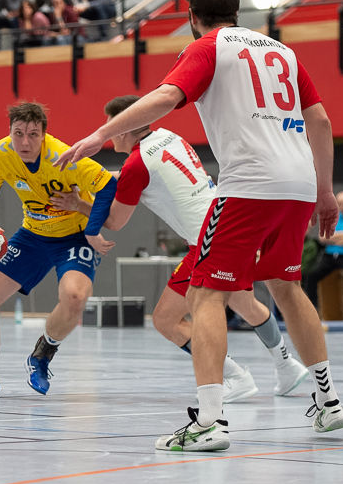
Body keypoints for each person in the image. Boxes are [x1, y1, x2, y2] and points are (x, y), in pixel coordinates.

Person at [57, 0, 343, 450]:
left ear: (192, 15)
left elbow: (165, 98)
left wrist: (98, 135)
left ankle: (210, 421)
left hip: (249, 184)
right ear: (236, 10)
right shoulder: (283, 51)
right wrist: (325, 190)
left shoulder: (208, 46)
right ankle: (329, 401)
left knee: (205, 293)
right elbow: (320, 120)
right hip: (298, 183)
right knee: (287, 287)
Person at [50, 95, 310, 401]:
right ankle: (286, 366)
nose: (108, 131)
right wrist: (104, 180)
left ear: (124, 127)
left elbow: (114, 221)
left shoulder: (137, 164)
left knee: (165, 320)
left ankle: (235, 377)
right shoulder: (168, 137)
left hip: (208, 243)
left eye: (111, 124)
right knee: (245, 304)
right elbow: (144, 176)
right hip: (232, 227)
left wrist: (79, 205)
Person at [0, 101, 117, 399]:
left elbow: (107, 186)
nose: (25, 142)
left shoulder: (66, 157)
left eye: (32, 134)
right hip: (32, 235)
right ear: (10, 132)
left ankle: (41, 355)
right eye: (18, 133)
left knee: (75, 298)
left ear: (44, 135)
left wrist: (92, 228)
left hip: (74, 237)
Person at [302, 192, 343, 319]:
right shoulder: (331, 217)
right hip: (330, 255)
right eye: (340, 204)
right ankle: (314, 312)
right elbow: (323, 238)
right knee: (310, 275)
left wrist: (334, 237)